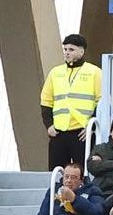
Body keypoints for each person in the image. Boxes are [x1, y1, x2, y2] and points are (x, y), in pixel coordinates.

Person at [38, 33, 102, 169]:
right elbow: (46, 101)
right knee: (56, 174)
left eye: (71, 50)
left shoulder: (94, 72)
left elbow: (101, 101)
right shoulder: (55, 72)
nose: (67, 53)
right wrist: (49, 125)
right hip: (59, 132)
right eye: (65, 49)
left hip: (82, 132)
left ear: (81, 51)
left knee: (83, 173)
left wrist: (92, 126)